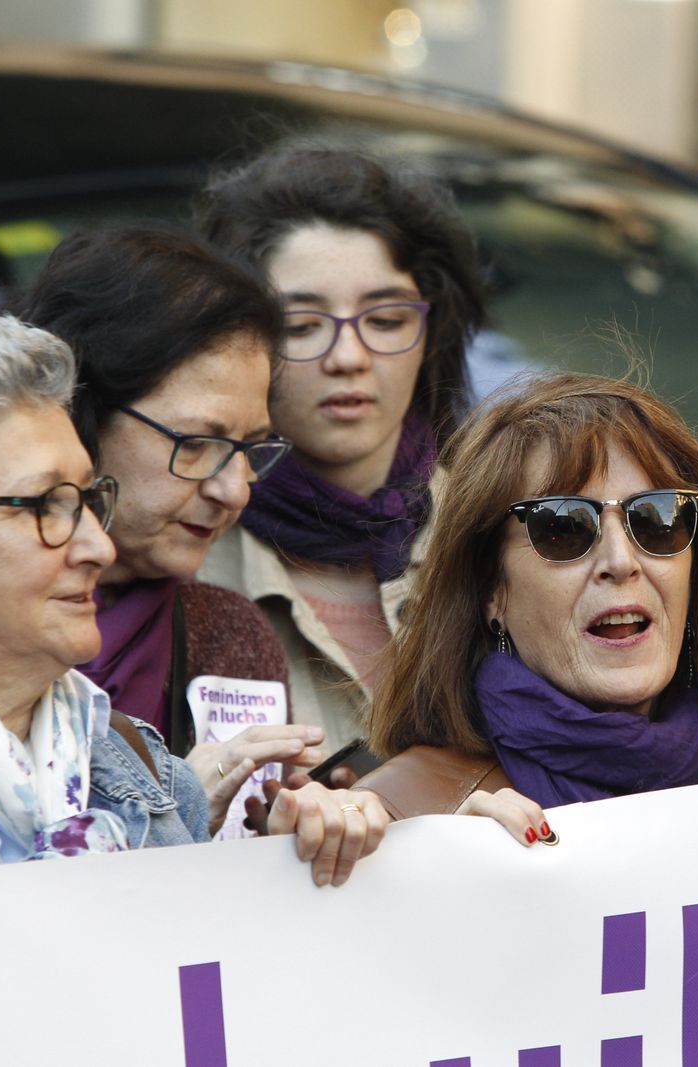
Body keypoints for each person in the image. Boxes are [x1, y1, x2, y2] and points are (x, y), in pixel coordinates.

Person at [0, 309, 390, 940]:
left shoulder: (142, 765)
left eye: (86, 500)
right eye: (44, 507)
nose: (97, 548)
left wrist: (296, 860)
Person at [354, 373, 698, 835]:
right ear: (490, 589)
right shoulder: (401, 818)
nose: (621, 561)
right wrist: (444, 878)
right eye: (563, 528)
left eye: (657, 520)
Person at [5, 226, 335, 836]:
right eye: (198, 443)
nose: (234, 489)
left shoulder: (230, 637)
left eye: (251, 448)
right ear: (82, 412)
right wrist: (169, 810)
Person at [196, 145, 488, 754]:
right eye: (301, 326)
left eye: (385, 320)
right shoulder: (179, 559)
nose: (348, 358)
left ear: (431, 332)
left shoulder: (502, 534)